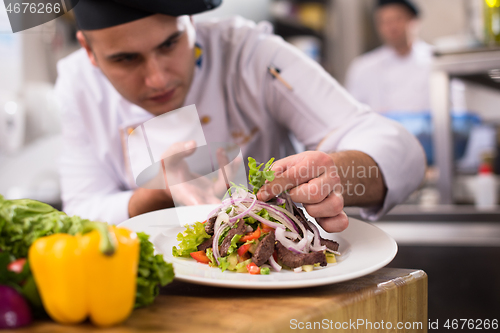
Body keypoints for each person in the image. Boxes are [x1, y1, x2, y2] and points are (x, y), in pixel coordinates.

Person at [56, 0, 425, 231]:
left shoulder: (248, 54)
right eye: (125, 59)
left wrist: (334, 173)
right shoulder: (77, 85)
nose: (158, 78)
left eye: (169, 44)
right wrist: (157, 197)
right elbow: (80, 213)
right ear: (89, 50)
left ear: (189, 21)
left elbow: (402, 152)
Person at [345, 0, 431, 113]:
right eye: (384, 22)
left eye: (397, 19)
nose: (392, 27)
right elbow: (352, 113)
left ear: (414, 21)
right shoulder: (363, 67)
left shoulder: (437, 61)